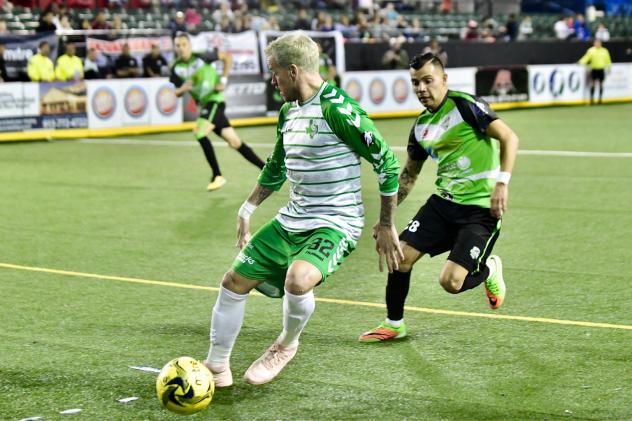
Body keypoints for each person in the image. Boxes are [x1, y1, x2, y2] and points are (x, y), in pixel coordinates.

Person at [202, 32, 403, 387]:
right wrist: (247, 208)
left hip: (336, 222)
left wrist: (387, 223)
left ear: (293, 71)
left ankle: (286, 344)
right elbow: (276, 168)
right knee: (232, 282)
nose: (272, 80)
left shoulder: (339, 110)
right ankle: (216, 367)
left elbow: (386, 163)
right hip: (292, 219)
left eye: (275, 72)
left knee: (298, 279)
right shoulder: (288, 112)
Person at [359, 53, 519, 342]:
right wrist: (386, 220)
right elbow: (408, 176)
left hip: (480, 211)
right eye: (415, 83)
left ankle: (489, 268)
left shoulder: (466, 106)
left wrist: (502, 183)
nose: (421, 88)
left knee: (451, 282)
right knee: (400, 257)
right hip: (443, 205)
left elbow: (509, 137)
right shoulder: (421, 126)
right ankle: (394, 324)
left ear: (444, 80)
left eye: (427, 81)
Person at [170, 33, 265, 191]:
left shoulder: (202, 56)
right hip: (205, 105)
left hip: (214, 100)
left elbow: (227, 57)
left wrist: (223, 80)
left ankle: (217, 175)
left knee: (199, 132)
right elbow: (176, 92)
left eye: (184, 44)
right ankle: (266, 169)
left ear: (190, 46)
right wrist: (182, 89)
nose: (181, 48)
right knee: (235, 142)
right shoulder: (176, 67)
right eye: (178, 45)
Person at [579, 39, 611, 105]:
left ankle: (600, 100)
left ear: (601, 43)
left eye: (599, 43)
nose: (597, 44)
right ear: (594, 43)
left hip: (601, 69)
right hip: (594, 69)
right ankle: (592, 100)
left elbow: (608, 60)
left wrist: (609, 67)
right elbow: (586, 58)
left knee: (601, 84)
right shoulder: (591, 50)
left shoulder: (604, 51)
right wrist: (580, 62)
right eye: (596, 43)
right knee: (593, 84)